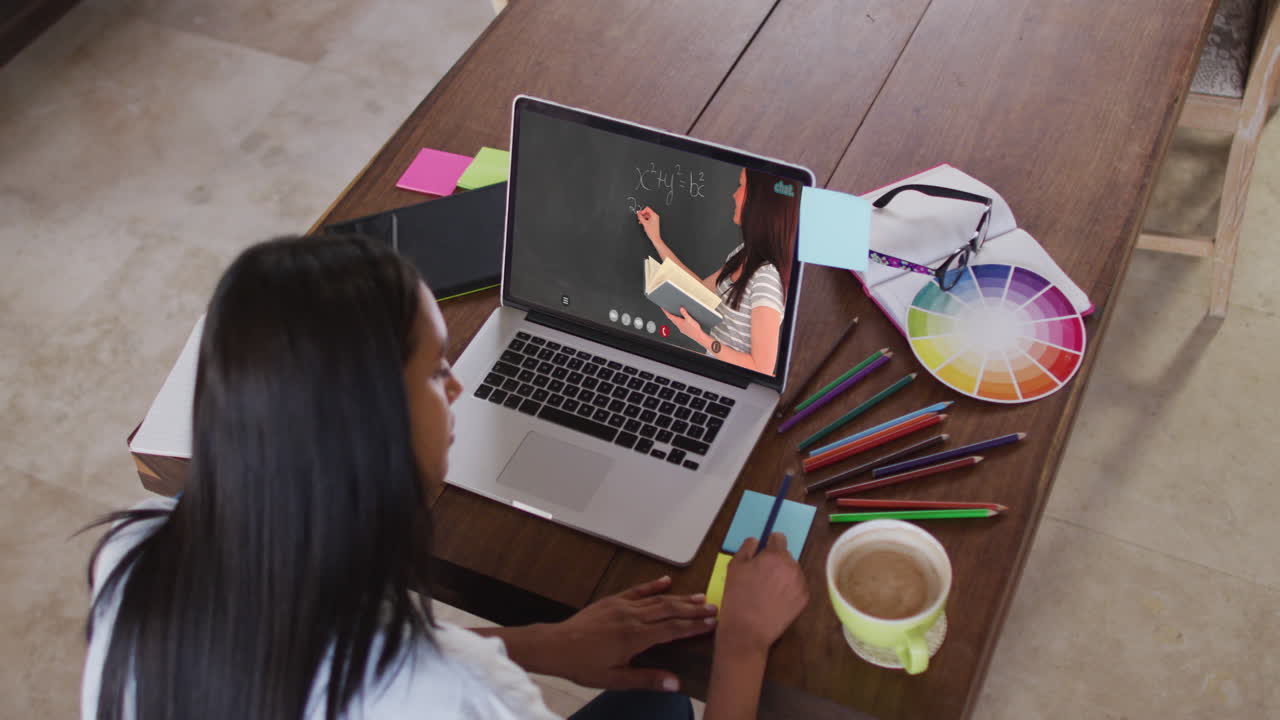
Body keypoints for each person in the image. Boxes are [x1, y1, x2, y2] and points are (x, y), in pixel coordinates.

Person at [82, 234, 809, 720]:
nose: (459, 386)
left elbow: (325, 657)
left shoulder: (136, 557)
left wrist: (542, 645)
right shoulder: (454, 698)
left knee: (649, 703)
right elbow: (421, 680)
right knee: (668, 701)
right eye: (435, 370)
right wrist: (741, 645)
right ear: (371, 429)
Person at [635, 168, 799, 375]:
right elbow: (700, 290)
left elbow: (762, 368)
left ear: (757, 201)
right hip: (712, 370)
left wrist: (700, 337)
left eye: (741, 186)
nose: (734, 194)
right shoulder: (744, 254)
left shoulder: (767, 279)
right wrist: (657, 241)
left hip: (732, 382)